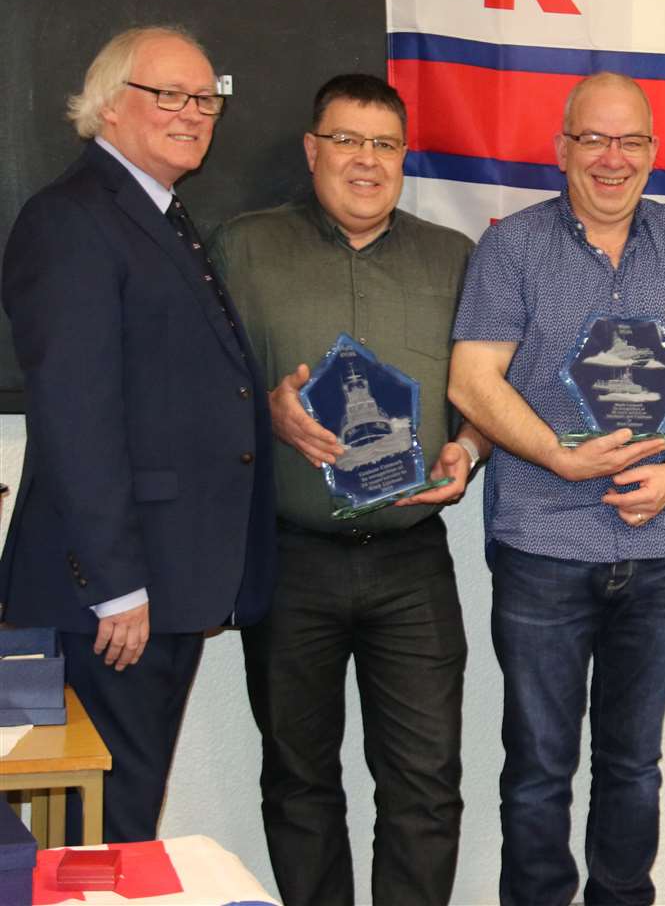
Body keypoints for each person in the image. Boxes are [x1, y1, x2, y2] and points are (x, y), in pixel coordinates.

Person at [448, 71, 665, 906]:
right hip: (544, 549)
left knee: (633, 765)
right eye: (594, 139)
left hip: (661, 551)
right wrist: (557, 455)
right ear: (562, 149)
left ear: (654, 153)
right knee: (540, 767)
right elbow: (473, 381)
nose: (612, 159)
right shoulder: (510, 248)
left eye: (630, 142)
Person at [208, 74, 487, 906]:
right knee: (299, 782)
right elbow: (188, 392)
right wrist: (268, 415)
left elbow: (489, 394)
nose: (365, 161)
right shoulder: (241, 249)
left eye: (384, 144)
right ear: (311, 148)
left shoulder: (454, 260)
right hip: (291, 561)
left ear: (405, 156)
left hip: (413, 565)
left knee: (427, 783)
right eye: (346, 140)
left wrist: (470, 450)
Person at [0, 25, 276, 842]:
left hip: (166, 580)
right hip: (115, 598)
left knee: (121, 819)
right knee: (98, 830)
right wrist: (116, 585)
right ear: (108, 107)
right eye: (170, 95)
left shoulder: (159, 215)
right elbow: (74, 415)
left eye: (205, 98)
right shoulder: (74, 220)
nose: (194, 113)